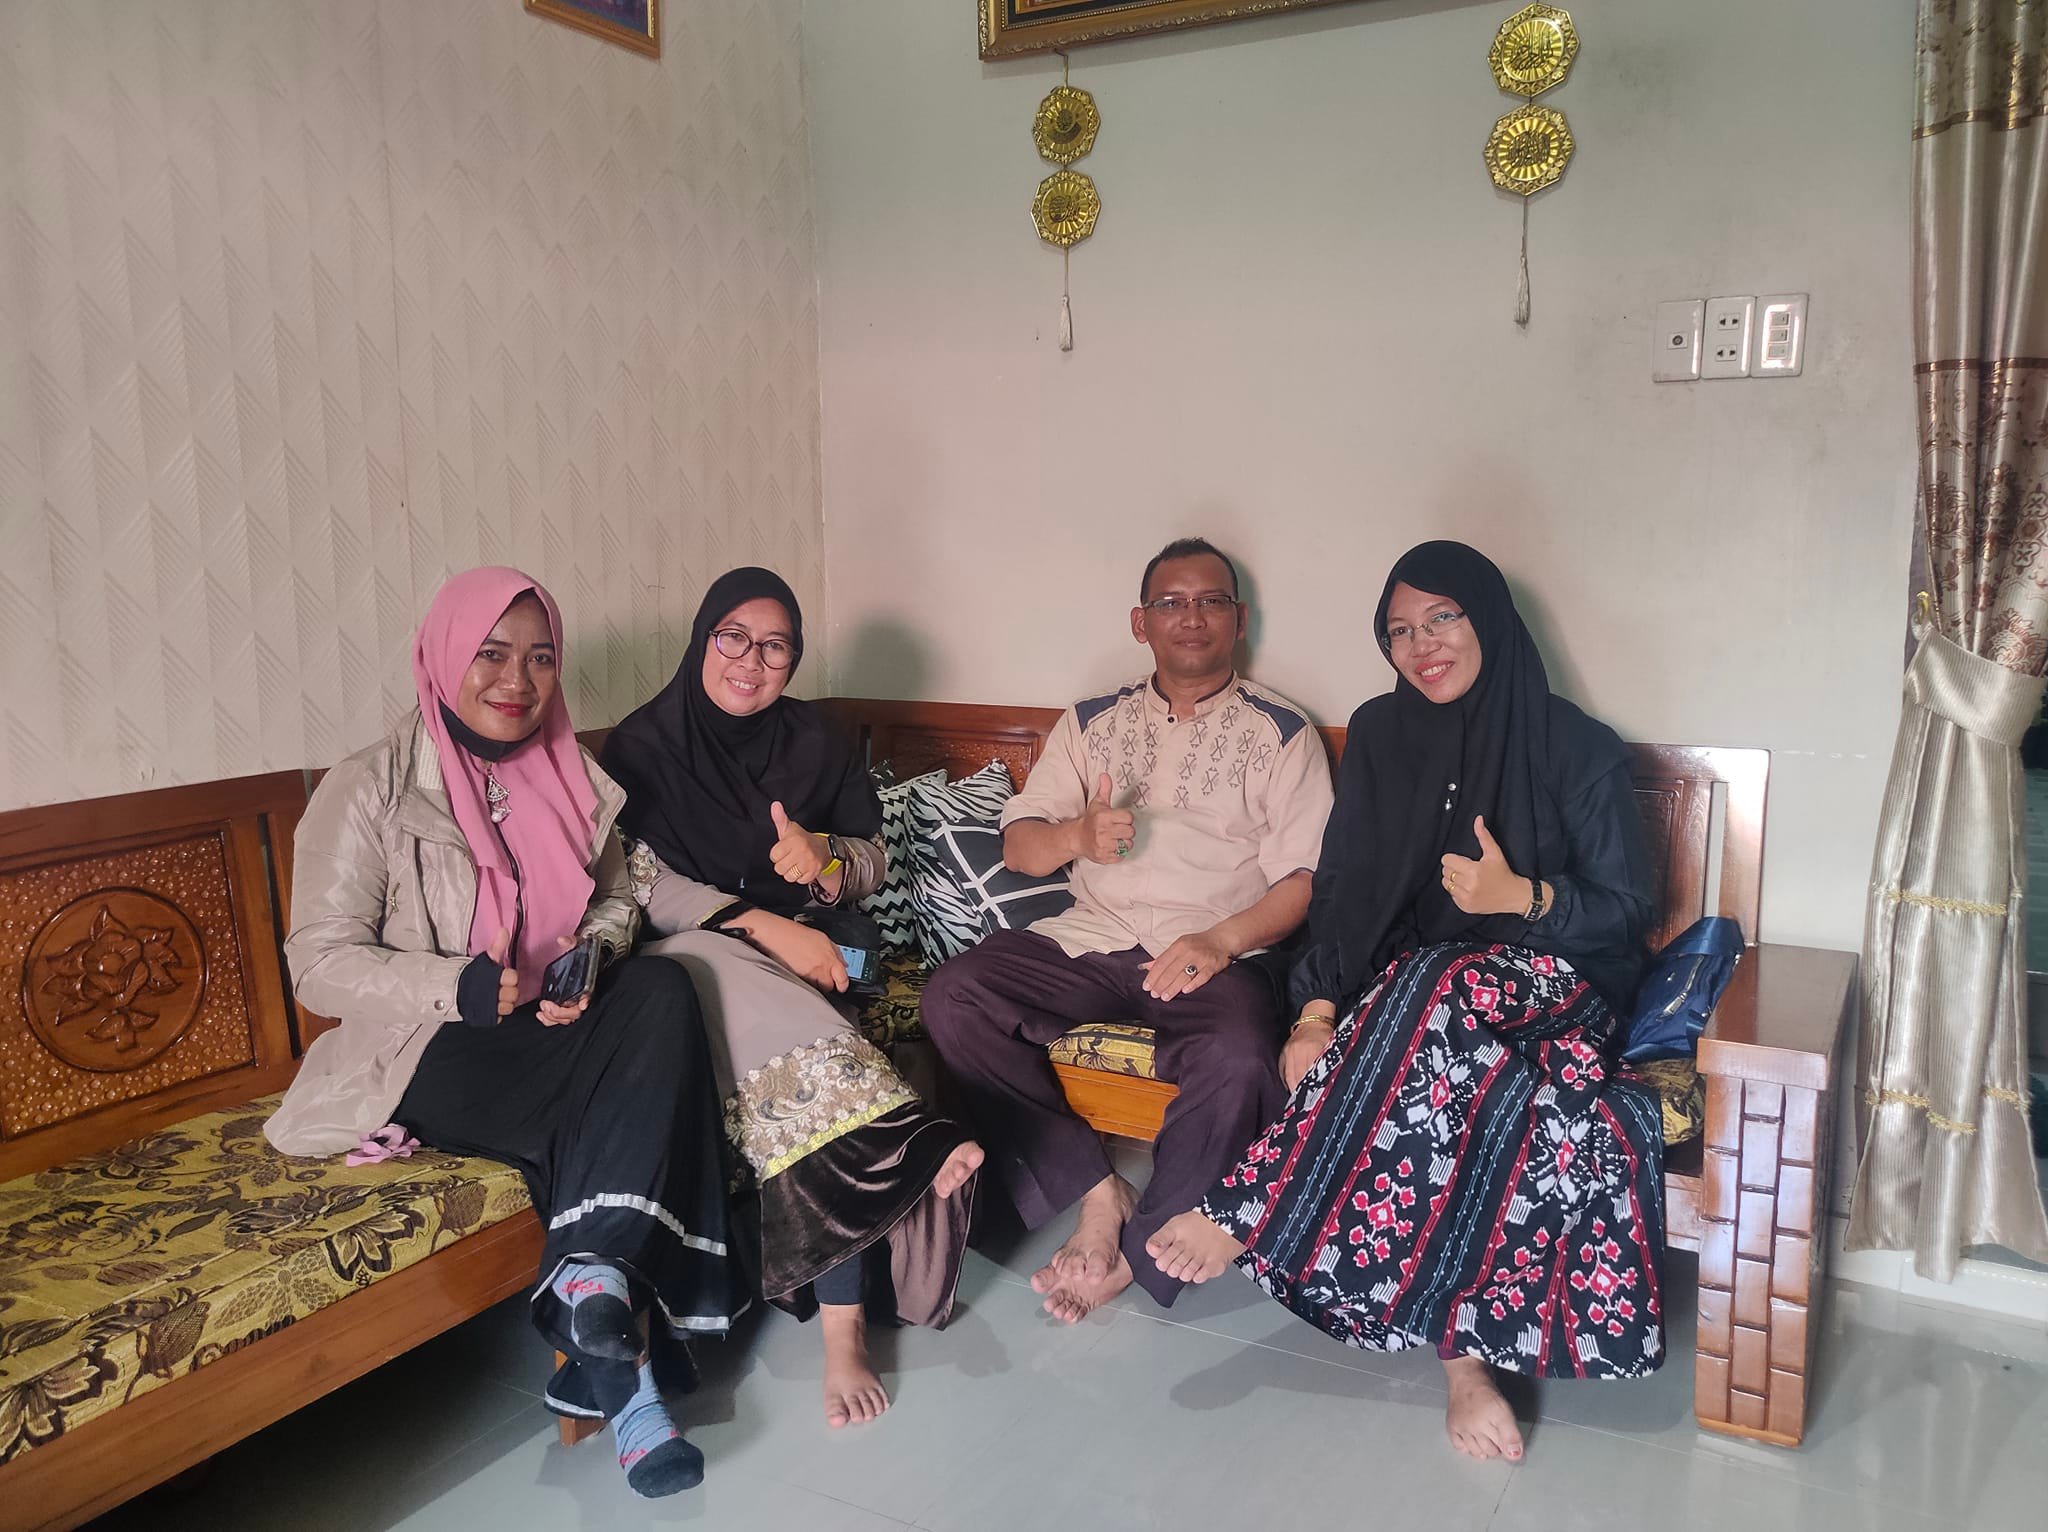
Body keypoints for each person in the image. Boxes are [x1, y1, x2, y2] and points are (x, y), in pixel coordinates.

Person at [1146, 540, 1666, 1465]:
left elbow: (1627, 911)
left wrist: (1522, 898)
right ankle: (1466, 1367)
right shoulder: (1382, 734)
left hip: (1558, 989)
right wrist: (1315, 1011)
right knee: (1438, 1035)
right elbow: (1345, 887)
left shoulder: (1573, 744)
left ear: (1489, 620)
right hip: (1415, 1002)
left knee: (1436, 983)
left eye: (1442, 618)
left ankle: (1252, 1206)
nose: (1422, 644)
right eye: (1399, 630)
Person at [266, 567, 735, 1499]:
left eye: (540, 657)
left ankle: (594, 1292)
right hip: (420, 1050)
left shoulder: (570, 774)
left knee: (660, 989)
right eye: (491, 652)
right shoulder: (369, 787)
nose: (516, 680)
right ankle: (629, 1383)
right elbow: (317, 963)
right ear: (445, 654)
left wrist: (585, 960)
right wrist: (458, 986)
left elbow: (614, 902)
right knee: (616, 1093)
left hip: (542, 1030)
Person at [600, 568, 984, 1430]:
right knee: (778, 1028)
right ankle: (899, 1157)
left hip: (819, 945)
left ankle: (845, 1322)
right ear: (702, 638)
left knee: (821, 1026)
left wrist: (826, 859)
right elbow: (646, 886)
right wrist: (768, 928)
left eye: (776, 646)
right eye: (733, 637)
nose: (752, 660)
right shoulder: (640, 747)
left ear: (795, 659)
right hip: (699, 947)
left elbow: (873, 857)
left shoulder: (816, 736)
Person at [920, 538, 1334, 1322]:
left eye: (1211, 601)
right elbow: (1020, 847)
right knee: (954, 995)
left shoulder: (1283, 733)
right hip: (1090, 939)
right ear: (1141, 623)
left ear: (1239, 620)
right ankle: (1095, 1189)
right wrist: (1077, 836)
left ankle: (1145, 1253)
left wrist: (1221, 942)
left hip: (1213, 954)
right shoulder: (1090, 722)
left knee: (1241, 1054)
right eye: (1171, 603)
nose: (1191, 617)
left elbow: (1305, 883)